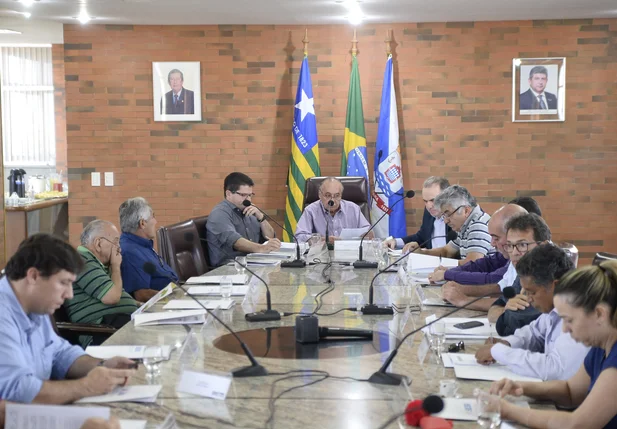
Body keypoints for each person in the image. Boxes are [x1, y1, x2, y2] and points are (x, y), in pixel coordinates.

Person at [0, 234, 137, 404]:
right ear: (34, 276)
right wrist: (87, 387)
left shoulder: (35, 304)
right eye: (64, 282)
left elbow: (59, 353)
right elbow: (18, 390)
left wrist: (103, 365)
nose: (69, 294)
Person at [491, 261, 617, 429]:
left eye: (569, 320)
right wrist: (521, 387)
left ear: (599, 314)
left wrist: (508, 411)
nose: (565, 328)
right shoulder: (600, 346)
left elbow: (577, 424)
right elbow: (571, 391)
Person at [475, 244, 588, 381]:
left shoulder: (580, 314)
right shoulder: (554, 307)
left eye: (532, 292)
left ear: (556, 285)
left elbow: (555, 369)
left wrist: (500, 352)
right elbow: (534, 333)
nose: (528, 299)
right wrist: (507, 344)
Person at [64, 220, 139, 347]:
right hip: (103, 332)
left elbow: (117, 294)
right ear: (98, 243)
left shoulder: (97, 263)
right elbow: (112, 297)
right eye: (116, 242)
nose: (119, 248)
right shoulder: (83, 260)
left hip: (118, 325)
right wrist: (116, 266)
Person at [428, 204, 526, 286]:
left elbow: (494, 280)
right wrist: (452, 271)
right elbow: (485, 264)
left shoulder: (478, 224)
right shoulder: (465, 227)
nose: (492, 243)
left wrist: (448, 275)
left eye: (496, 238)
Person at [487, 213, 551, 335]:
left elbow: (514, 325)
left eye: (522, 245)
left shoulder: (549, 277)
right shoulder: (525, 271)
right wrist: (506, 309)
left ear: (543, 246)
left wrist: (506, 313)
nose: (514, 252)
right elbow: (493, 311)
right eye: (510, 245)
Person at [207, 172, 281, 267]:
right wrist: (261, 248)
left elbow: (269, 236)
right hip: (229, 268)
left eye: (250, 195)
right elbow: (235, 242)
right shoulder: (219, 213)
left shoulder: (249, 210)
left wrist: (261, 217)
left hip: (252, 263)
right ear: (228, 194)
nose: (248, 200)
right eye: (243, 195)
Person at [411, 185, 492, 265]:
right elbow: (447, 252)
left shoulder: (478, 224)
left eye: (448, 214)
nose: (446, 221)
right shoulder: (465, 225)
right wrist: (421, 252)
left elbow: (473, 264)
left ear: (466, 211)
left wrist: (446, 272)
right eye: (444, 216)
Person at [119, 197, 179, 301]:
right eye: (153, 217)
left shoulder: (142, 244)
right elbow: (142, 294)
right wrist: (177, 297)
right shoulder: (130, 252)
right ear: (142, 223)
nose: (155, 221)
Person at [383, 176, 456, 250]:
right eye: (425, 201)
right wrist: (396, 242)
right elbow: (421, 237)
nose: (429, 206)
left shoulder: (458, 217)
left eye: (433, 200)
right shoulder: (429, 212)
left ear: (447, 197)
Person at [295, 177, 372, 244]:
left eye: (337, 196)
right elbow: (299, 237)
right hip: (321, 256)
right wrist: (321, 240)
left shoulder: (353, 209)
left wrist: (367, 235)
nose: (332, 200)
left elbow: (368, 232)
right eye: (328, 195)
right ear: (320, 195)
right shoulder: (311, 211)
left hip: (349, 254)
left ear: (341, 195)